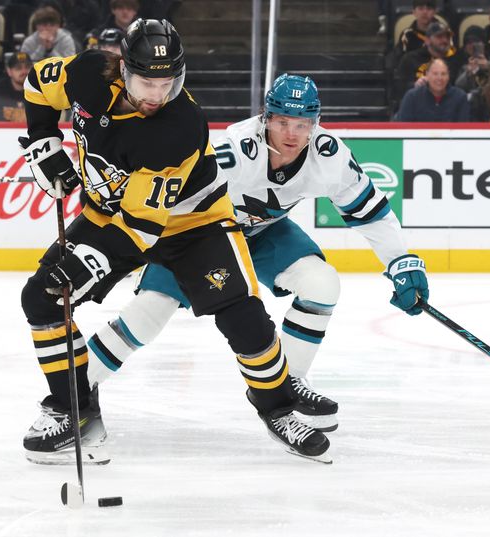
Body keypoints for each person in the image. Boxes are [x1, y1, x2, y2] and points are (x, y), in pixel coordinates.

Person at [19, 19, 331, 465]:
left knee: (244, 318)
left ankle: (278, 409)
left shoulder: (180, 125)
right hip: (111, 212)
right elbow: (37, 84)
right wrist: (43, 141)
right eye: (147, 82)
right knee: (42, 297)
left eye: (168, 83)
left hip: (195, 224)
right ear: (123, 69)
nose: (157, 95)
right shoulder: (88, 72)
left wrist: (89, 263)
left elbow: (142, 227)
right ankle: (74, 411)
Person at [80, 73, 429, 436]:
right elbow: (172, 196)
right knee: (149, 312)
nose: (291, 134)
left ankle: (286, 384)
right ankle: (74, 391)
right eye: (282, 123)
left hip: (264, 233)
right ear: (266, 118)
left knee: (322, 284)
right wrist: (127, 246)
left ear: (315, 124)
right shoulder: (235, 152)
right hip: (198, 236)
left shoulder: (330, 156)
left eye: (302, 125)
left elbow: (371, 212)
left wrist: (399, 261)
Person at [396, 20, 467, 102]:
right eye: (439, 37)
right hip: (417, 103)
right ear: (427, 40)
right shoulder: (410, 59)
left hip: (448, 105)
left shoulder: (457, 59)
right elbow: (398, 88)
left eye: (447, 37)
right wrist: (415, 85)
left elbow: (461, 88)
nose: (445, 40)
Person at [396, 57, 469, 121]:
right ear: (427, 75)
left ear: (448, 76)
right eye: (435, 74)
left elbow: (464, 128)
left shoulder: (460, 97)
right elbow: (402, 127)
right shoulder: (412, 97)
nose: (439, 78)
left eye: (443, 74)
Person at [0, 51, 32, 121]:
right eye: (18, 68)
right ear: (9, 72)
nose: (24, 71)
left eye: (27, 67)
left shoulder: (40, 89)